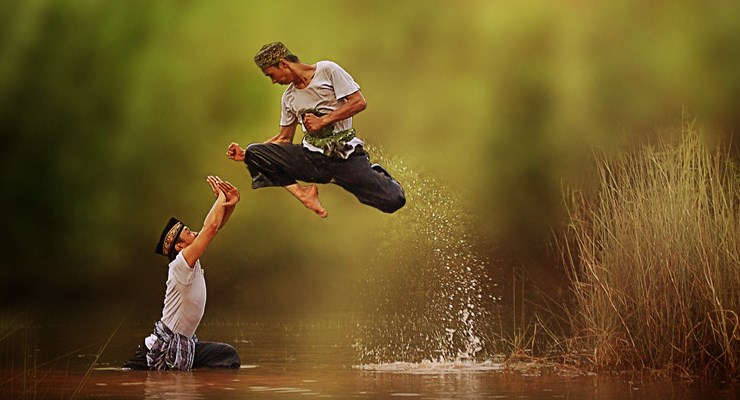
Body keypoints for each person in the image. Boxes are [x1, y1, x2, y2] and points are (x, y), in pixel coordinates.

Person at [226, 41, 406, 218]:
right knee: (255, 152)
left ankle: (377, 174)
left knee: (394, 201)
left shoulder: (327, 71)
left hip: (344, 156)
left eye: (272, 75)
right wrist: (246, 155)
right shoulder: (288, 98)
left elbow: (359, 102)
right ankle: (304, 194)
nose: (274, 81)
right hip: (312, 159)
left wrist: (323, 121)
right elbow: (284, 138)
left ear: (283, 64)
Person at [122, 176, 241, 371]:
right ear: (179, 246)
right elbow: (209, 228)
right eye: (188, 232)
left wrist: (230, 204)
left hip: (182, 344)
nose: (195, 233)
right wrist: (220, 197)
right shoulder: (180, 264)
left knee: (226, 357)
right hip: (159, 350)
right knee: (228, 356)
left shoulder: (189, 262)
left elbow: (215, 227)